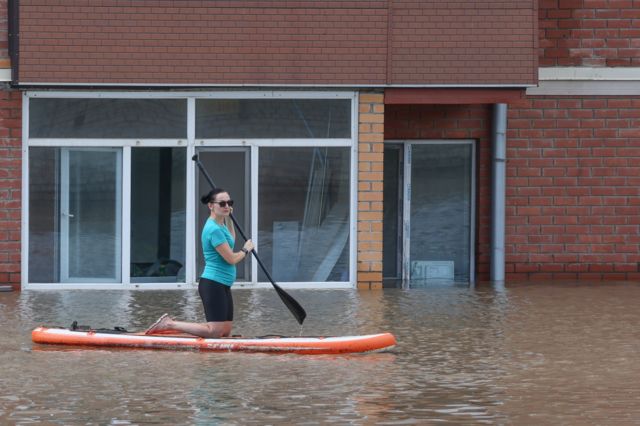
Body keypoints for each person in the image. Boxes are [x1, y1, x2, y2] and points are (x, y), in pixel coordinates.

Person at [145, 188, 254, 338]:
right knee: (215, 332)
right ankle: (169, 324)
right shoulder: (213, 229)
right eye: (222, 203)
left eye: (229, 203)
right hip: (213, 284)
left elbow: (231, 240)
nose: (227, 206)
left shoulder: (220, 225)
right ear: (211, 206)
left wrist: (229, 218)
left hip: (223, 284)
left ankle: (175, 330)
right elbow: (231, 259)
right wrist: (246, 250)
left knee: (226, 331)